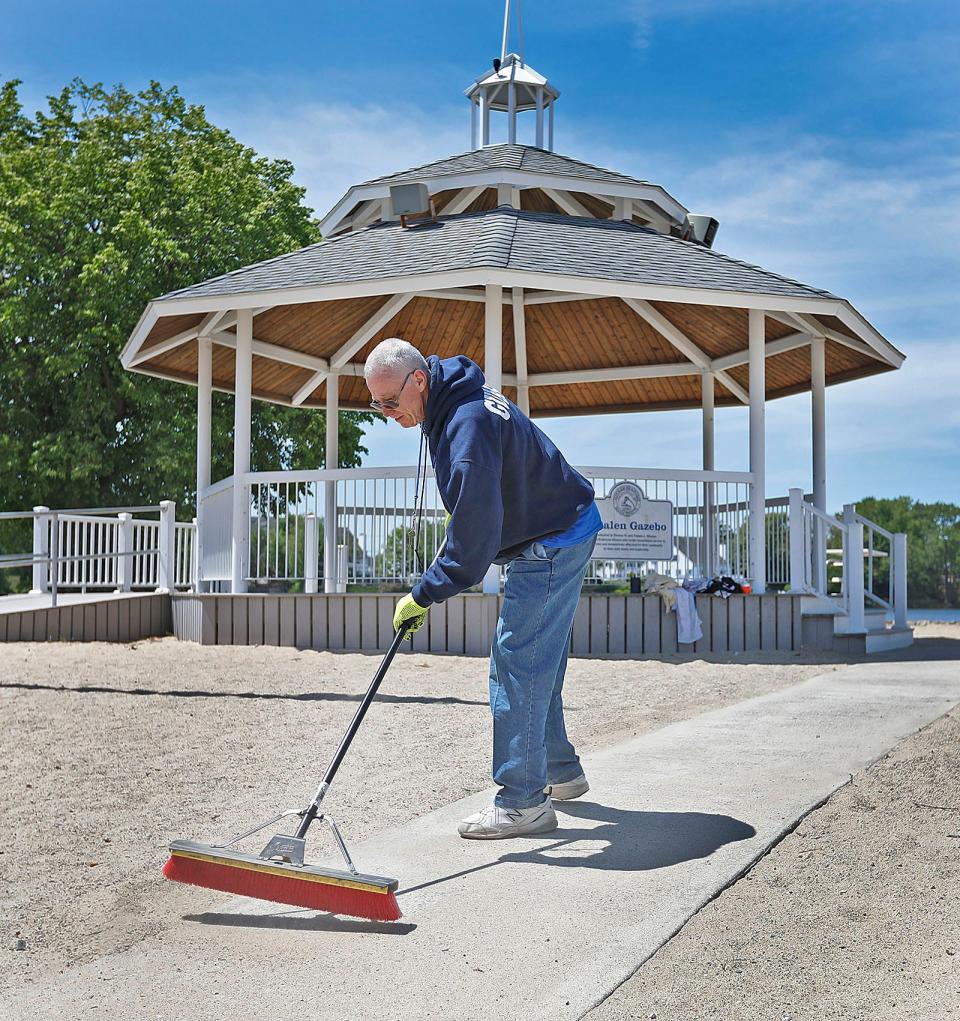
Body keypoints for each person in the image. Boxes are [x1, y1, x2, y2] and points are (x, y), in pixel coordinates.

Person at [364, 338, 602, 840]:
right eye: (376, 404)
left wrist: (425, 592)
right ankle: (560, 769)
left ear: (419, 381)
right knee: (540, 655)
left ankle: (523, 802)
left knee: (517, 661)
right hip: (562, 525)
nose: (386, 413)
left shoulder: (465, 422)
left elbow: (474, 532)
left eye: (390, 401)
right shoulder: (452, 404)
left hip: (552, 539)